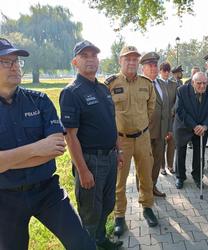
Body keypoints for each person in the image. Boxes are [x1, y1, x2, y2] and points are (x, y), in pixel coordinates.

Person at [0, 38, 96, 250]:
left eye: (17, 61)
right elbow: (43, 149)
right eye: (6, 62)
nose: (15, 66)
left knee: (82, 243)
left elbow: (56, 148)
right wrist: (36, 149)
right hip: (5, 198)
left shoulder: (40, 100)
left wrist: (6, 159)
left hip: (47, 191)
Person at [59, 40, 122, 250]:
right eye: (85, 55)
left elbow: (111, 121)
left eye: (94, 55)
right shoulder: (71, 92)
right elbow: (70, 137)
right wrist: (83, 170)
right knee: (90, 212)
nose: (91, 59)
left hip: (111, 157)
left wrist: (118, 151)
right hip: (91, 161)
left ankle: (101, 239)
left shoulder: (103, 89)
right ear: (75, 62)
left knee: (107, 204)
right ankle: (89, 245)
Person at [105, 46, 158, 236]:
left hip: (143, 137)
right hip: (121, 140)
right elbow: (105, 112)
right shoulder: (110, 84)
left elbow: (151, 107)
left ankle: (148, 207)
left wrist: (142, 124)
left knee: (146, 174)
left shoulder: (146, 83)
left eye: (135, 59)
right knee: (120, 179)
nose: (132, 62)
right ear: (120, 61)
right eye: (128, 59)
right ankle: (119, 215)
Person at [174, 72, 208, 189]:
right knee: (181, 151)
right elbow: (180, 110)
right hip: (183, 126)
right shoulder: (182, 90)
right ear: (193, 83)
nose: (202, 86)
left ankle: (198, 177)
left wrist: (205, 126)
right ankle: (180, 177)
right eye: (199, 83)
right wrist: (194, 126)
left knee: (199, 152)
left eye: (204, 83)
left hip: (202, 127)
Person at [140, 52, 170, 197]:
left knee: (157, 161)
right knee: (144, 163)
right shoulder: (139, 85)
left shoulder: (161, 84)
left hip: (160, 132)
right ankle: (143, 190)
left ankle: (153, 186)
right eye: (149, 65)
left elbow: (167, 108)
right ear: (142, 69)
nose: (153, 68)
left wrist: (168, 129)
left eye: (155, 65)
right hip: (145, 133)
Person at [158, 62, 177, 175]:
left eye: (168, 71)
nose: (166, 73)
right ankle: (162, 167)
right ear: (160, 71)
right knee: (161, 144)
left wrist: (173, 109)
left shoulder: (174, 84)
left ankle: (170, 165)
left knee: (172, 143)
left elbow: (177, 100)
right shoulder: (156, 83)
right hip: (161, 119)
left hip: (172, 118)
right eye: (164, 70)